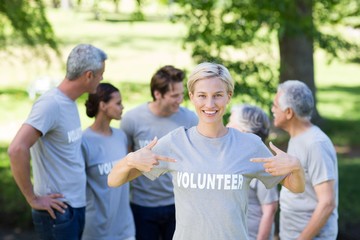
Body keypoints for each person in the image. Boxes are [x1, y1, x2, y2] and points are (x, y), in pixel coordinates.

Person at [108, 62, 305, 240]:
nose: (210, 104)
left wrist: (296, 168)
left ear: (228, 96)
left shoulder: (250, 145)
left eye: (217, 95)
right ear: (192, 97)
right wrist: (130, 160)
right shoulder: (176, 142)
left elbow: (296, 187)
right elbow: (114, 180)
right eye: (202, 95)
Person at [7, 44, 107, 240]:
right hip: (57, 213)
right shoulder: (50, 104)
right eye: (100, 74)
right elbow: (17, 149)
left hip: (73, 208)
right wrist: (32, 198)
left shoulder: (69, 103)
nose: (102, 78)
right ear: (88, 75)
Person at [120, 65, 198, 240]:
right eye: (174, 95)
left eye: (181, 94)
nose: (180, 100)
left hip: (179, 204)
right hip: (142, 206)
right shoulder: (132, 119)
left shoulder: (190, 119)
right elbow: (124, 161)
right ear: (157, 94)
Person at [272, 80, 338, 240]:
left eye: (275, 105)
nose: (272, 109)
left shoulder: (316, 144)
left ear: (289, 112)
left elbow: (327, 203)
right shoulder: (297, 138)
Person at [81, 83, 135, 240]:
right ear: (103, 105)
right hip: (95, 231)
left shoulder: (121, 137)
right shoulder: (84, 141)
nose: (122, 107)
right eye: (118, 103)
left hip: (125, 229)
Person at [227, 104, 279, 240]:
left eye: (231, 122)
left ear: (243, 131)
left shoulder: (263, 163)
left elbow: (270, 209)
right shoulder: (234, 157)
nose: (226, 126)